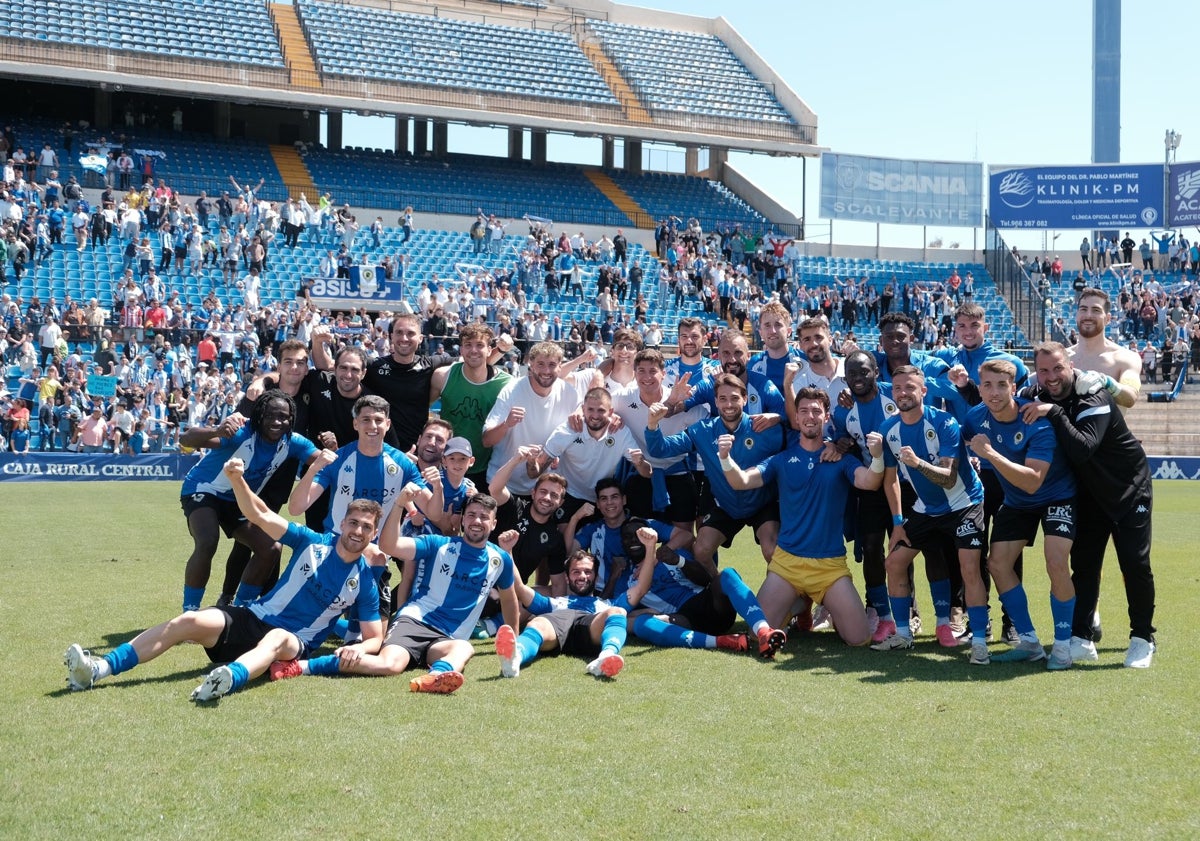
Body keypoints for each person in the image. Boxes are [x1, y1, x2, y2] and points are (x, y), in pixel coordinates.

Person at [64, 458, 384, 702]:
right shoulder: (310, 541)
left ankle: (227, 679)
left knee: (277, 640)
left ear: (373, 533)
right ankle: (97, 670)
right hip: (252, 618)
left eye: (366, 527)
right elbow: (260, 516)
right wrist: (236, 479)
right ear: (342, 523)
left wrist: (359, 649)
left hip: (293, 643)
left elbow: (374, 637)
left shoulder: (364, 582)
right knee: (187, 621)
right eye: (353, 523)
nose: (357, 531)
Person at [270, 493, 520, 693]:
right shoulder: (439, 545)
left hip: (448, 637)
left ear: (494, 523)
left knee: (464, 649)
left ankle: (435, 676)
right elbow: (390, 546)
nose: (477, 521)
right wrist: (400, 504)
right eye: (472, 515)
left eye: (484, 517)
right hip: (415, 621)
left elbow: (509, 600)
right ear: (463, 519)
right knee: (390, 665)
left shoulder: (500, 560)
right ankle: (301, 666)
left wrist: (514, 642)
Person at [1020, 342, 1156, 668]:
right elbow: (1007, 401)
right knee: (1084, 565)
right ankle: (1081, 636)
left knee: (1134, 565)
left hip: (1129, 489)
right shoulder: (1038, 393)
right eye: (1044, 371)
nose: (1052, 377)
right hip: (1088, 494)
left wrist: (1052, 412)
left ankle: (1142, 638)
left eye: (1058, 368)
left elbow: (1083, 449)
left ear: (1070, 365)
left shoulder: (1093, 395)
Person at [720, 387, 885, 647]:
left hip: (829, 567)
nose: (810, 416)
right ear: (796, 418)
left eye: (816, 411)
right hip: (788, 564)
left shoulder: (840, 459)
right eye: (804, 411)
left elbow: (871, 482)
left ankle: (818, 603)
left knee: (859, 639)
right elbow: (741, 482)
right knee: (755, 634)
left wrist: (877, 458)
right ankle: (798, 604)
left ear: (826, 417)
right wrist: (725, 458)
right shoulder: (781, 460)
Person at [962, 359, 1077, 669]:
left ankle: (1063, 647)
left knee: (1055, 562)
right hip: (1017, 502)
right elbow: (957, 441)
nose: (994, 392)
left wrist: (990, 455)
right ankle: (1029, 641)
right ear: (980, 387)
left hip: (1055, 497)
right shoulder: (975, 418)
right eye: (987, 385)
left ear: (1014, 388)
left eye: (1002, 385)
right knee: (997, 564)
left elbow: (1032, 482)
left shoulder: (1034, 421)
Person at [871, 366, 987, 656]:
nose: (903, 393)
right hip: (926, 509)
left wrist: (917, 463)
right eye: (897, 388)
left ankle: (981, 642)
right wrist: (898, 522)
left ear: (923, 391)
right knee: (894, 563)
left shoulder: (945, 422)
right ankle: (901, 634)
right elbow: (890, 479)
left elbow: (948, 477)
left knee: (969, 567)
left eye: (910, 387)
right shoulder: (889, 429)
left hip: (964, 503)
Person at [177, 389, 318, 611]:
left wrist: (332, 448)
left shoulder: (294, 442)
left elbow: (327, 461)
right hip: (204, 490)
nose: (276, 421)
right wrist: (217, 430)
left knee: (271, 548)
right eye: (270, 415)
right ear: (259, 415)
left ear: (291, 419)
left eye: (283, 417)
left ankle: (241, 610)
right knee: (207, 541)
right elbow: (185, 439)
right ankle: (190, 612)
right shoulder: (241, 432)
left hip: (237, 500)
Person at [645, 373, 787, 576]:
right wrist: (652, 425)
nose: (729, 404)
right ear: (715, 401)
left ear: (745, 399)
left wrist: (779, 417)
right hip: (726, 504)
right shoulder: (703, 431)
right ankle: (719, 586)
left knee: (771, 550)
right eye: (722, 399)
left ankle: (778, 594)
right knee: (701, 551)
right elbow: (660, 449)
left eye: (735, 398)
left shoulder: (763, 428)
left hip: (762, 503)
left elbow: (797, 441)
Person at [494, 549, 629, 679]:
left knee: (618, 611)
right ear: (567, 577)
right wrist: (508, 552)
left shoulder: (605, 604)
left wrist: (649, 546)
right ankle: (514, 658)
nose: (582, 576)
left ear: (596, 576)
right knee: (538, 622)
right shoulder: (556, 602)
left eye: (588, 572)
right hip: (557, 626)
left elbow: (640, 590)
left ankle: (607, 656)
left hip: (591, 626)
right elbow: (520, 588)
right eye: (576, 572)